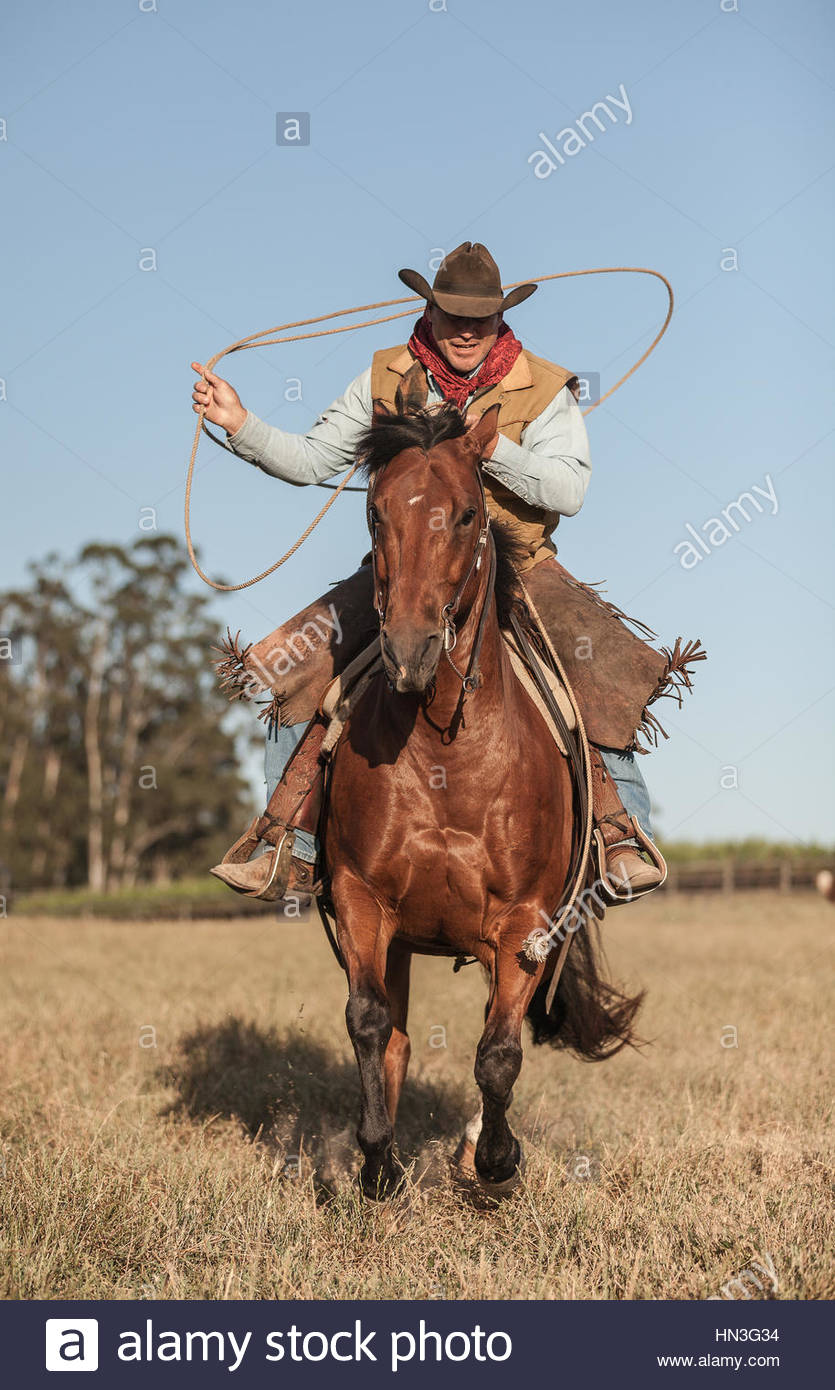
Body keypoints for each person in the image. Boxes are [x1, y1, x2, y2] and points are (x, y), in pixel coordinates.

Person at [192, 243, 688, 902]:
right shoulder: (383, 377)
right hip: (405, 567)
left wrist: (490, 448)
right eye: (451, 313)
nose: (464, 329)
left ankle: (618, 832)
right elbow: (311, 461)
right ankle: (286, 837)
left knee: (601, 672)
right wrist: (241, 424)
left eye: (479, 318)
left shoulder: (543, 386)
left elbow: (566, 491)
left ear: (499, 318)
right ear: (429, 307)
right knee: (293, 662)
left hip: (517, 565)